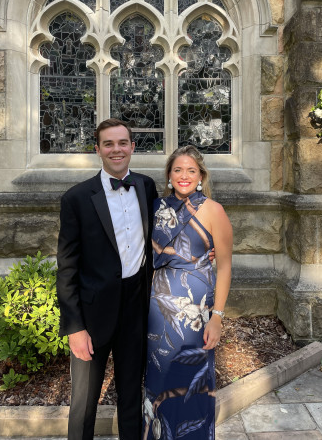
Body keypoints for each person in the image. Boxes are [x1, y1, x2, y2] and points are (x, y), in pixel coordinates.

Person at [56, 118, 158, 440]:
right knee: (84, 404)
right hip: (92, 314)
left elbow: (165, 236)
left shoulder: (147, 186)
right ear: (97, 149)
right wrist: (74, 327)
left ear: (132, 147)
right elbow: (67, 268)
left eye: (123, 143)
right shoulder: (76, 198)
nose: (117, 150)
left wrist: (201, 253)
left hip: (134, 308)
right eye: (109, 144)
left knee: (131, 396)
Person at [143, 145, 233, 440]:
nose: (184, 176)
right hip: (159, 312)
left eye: (191, 170)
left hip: (195, 313)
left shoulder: (213, 210)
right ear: (169, 175)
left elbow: (225, 267)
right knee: (159, 381)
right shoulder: (155, 209)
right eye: (178, 170)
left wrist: (217, 318)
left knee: (191, 383)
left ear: (201, 176)